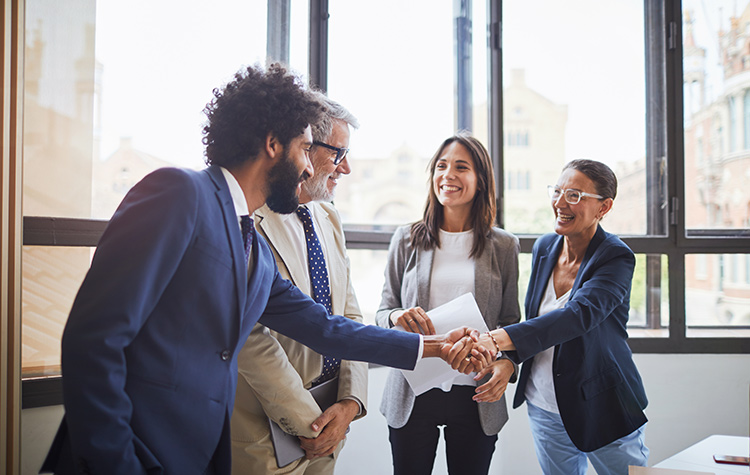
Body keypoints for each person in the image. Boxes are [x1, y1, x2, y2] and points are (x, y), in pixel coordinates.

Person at [40, 64, 481, 475]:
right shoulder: (178, 192)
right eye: (307, 148)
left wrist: (434, 347)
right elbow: (93, 342)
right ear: (273, 144)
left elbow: (327, 328)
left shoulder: (249, 241)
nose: (311, 165)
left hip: (197, 455)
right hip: (134, 452)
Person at [477, 159, 649, 475]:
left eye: (574, 195)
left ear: (603, 207)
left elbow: (578, 315)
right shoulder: (545, 246)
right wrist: (509, 359)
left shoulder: (615, 257)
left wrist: (497, 338)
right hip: (544, 404)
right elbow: (536, 321)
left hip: (602, 404)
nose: (559, 203)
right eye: (557, 191)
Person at [230, 93, 365, 474]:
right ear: (302, 148)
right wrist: (310, 422)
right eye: (338, 154)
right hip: (268, 432)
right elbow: (251, 339)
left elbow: (349, 315)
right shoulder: (248, 223)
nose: (346, 168)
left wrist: (350, 403)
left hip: (333, 419)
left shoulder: (328, 217)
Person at [375, 132, 521, 475]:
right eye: (441, 166)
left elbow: (512, 321)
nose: (448, 175)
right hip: (412, 390)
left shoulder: (503, 245)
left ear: (480, 180)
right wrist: (397, 315)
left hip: (475, 392)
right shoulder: (407, 238)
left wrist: (509, 365)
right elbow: (382, 312)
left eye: (461, 167)